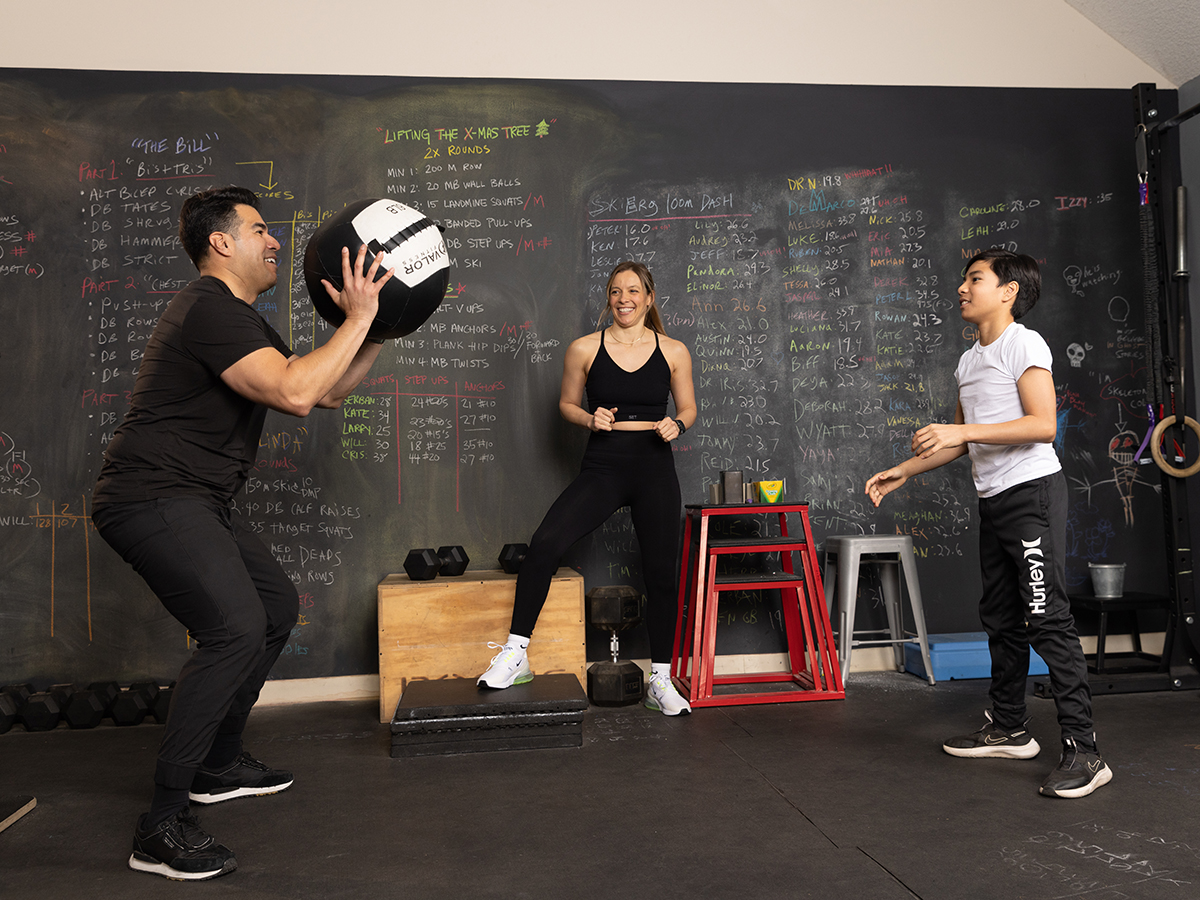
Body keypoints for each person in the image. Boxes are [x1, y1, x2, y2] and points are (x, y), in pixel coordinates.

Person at [91, 185, 394, 880]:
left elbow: (325, 389)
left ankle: (217, 765)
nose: (276, 241)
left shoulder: (240, 319)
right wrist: (359, 317)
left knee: (274, 610)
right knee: (233, 627)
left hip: (197, 498)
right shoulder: (207, 308)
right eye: (261, 229)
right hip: (151, 495)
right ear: (221, 242)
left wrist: (378, 328)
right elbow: (292, 391)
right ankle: (161, 824)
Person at [864, 248, 1111, 799]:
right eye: (964, 279)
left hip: (1032, 497)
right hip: (994, 498)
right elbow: (956, 438)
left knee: (1046, 619)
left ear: (1008, 292)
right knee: (999, 616)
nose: (962, 287)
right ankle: (1010, 727)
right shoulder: (969, 360)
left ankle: (1085, 752)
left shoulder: (1023, 342)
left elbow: (1042, 424)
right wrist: (904, 469)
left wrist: (961, 435)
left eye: (975, 279)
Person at [477, 261, 697, 716]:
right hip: (604, 466)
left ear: (649, 298)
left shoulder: (674, 350)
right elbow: (565, 404)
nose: (624, 299)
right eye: (616, 291)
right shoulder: (583, 349)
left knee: (661, 573)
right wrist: (589, 417)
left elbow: (690, 407)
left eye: (634, 291)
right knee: (545, 543)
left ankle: (660, 678)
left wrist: (677, 424)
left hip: (654, 467)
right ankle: (516, 654)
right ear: (608, 299)